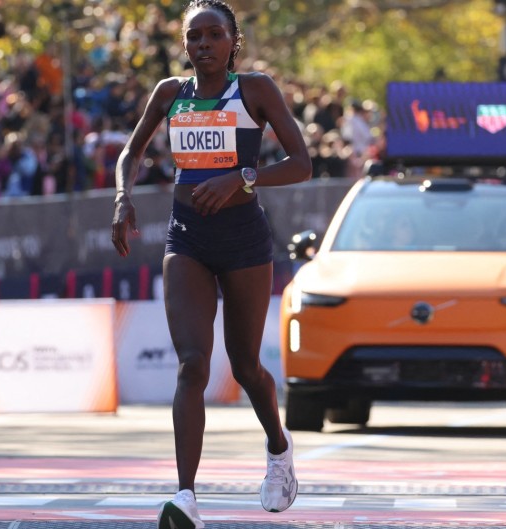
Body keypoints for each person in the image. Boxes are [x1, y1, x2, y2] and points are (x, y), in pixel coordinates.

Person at [111, 2, 310, 527]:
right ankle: (186, 499)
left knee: (244, 366)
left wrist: (242, 177)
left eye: (213, 34)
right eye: (193, 36)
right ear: (184, 44)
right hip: (188, 238)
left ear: (232, 42)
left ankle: (278, 448)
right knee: (192, 364)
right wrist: (121, 197)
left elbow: (302, 163)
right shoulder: (169, 94)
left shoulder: (255, 89)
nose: (203, 44)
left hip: (243, 240)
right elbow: (130, 153)